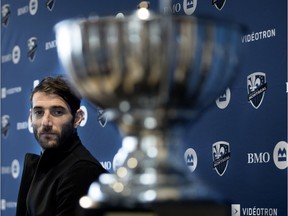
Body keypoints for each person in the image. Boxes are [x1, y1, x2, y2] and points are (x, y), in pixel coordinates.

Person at [16, 75, 108, 216]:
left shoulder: (83, 171)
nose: (46, 122)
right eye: (39, 112)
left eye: (57, 112)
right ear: (30, 117)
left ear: (78, 118)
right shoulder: (42, 166)